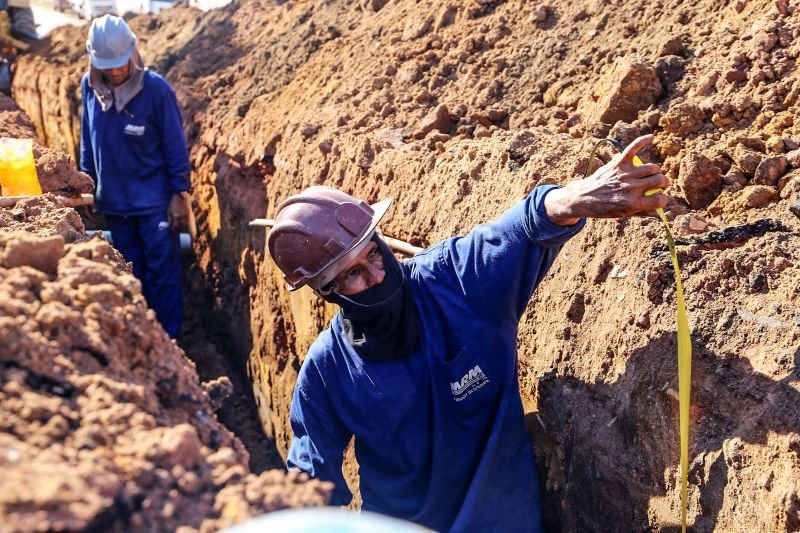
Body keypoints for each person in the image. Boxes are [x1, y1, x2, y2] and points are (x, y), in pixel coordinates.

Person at [267, 134, 669, 532]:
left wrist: (574, 198)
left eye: (373, 252)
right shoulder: (327, 372)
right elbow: (309, 484)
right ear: (327, 292)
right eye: (353, 273)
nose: (377, 273)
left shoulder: (455, 282)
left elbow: (523, 227)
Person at [79, 15, 191, 338]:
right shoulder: (89, 87)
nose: (115, 71)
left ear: (132, 52)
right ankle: (140, 339)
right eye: (107, 64)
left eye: (120, 63)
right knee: (130, 272)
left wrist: (179, 195)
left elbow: (175, 146)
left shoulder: (156, 91)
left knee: (162, 275)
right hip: (115, 204)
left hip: (155, 204)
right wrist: (88, 182)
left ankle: (168, 341)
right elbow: (88, 137)